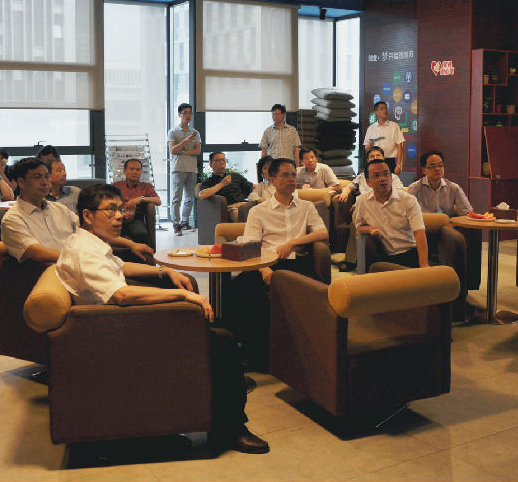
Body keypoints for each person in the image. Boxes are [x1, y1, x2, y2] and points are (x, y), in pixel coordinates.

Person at [56, 183, 269, 454]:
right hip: (112, 332)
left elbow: (120, 267)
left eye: (120, 209)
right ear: (87, 215)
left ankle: (223, 379)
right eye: (110, 210)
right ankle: (230, 428)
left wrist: (163, 271)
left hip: (114, 323)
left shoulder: (88, 242)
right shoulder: (84, 252)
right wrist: (182, 296)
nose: (119, 216)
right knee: (223, 341)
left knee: (207, 324)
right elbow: (121, 294)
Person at [225, 158, 328, 370]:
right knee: (235, 291)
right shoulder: (258, 211)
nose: (292, 179)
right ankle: (254, 354)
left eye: (293, 175)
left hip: (297, 264)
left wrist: (293, 243)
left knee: (317, 292)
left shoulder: (306, 207)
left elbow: (322, 232)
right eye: (285, 175)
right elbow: (250, 247)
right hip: (266, 264)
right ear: (272, 180)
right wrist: (264, 269)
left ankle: (311, 353)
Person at [1, 158, 152, 264]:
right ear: (21, 182)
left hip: (82, 264)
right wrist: (82, 258)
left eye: (46, 176)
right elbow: (36, 252)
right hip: (56, 272)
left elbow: (92, 230)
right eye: (37, 177)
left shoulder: (59, 209)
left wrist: (131, 244)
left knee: (144, 259)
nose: (45, 182)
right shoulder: (13, 219)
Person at [334, 146, 403, 272]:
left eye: (378, 155)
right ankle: (352, 260)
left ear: (383, 158)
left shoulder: (392, 177)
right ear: (367, 160)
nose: (375, 158)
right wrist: (344, 192)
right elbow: (350, 186)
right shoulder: (361, 177)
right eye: (372, 156)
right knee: (357, 215)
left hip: (385, 206)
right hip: (364, 207)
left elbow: (400, 192)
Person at [355, 158, 428, 269]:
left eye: (386, 174)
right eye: (377, 175)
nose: (383, 179)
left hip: (410, 252)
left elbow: (419, 233)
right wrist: (370, 229)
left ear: (391, 177)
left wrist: (424, 265)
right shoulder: (362, 201)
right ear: (368, 182)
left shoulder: (408, 200)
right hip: (384, 255)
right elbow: (359, 226)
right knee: (376, 269)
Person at [168, 103, 202, 235]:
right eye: (185, 113)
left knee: (189, 198)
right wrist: (185, 141)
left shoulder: (195, 132)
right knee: (177, 198)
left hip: (192, 168)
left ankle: (185, 222)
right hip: (178, 168)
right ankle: (176, 224)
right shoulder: (173, 131)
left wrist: (182, 152)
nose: (188, 115)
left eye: (190, 113)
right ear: (179, 114)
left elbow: (197, 151)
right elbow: (172, 150)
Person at [406, 151, 473, 217]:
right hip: (423, 223)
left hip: (447, 223)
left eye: (440, 165)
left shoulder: (454, 188)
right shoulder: (414, 188)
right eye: (433, 166)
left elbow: (466, 213)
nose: (438, 169)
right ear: (424, 170)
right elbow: (406, 214)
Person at [112, 158, 161, 243]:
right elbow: (108, 203)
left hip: (135, 220)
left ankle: (145, 251)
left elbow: (158, 201)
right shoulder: (116, 185)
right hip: (118, 218)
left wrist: (141, 199)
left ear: (141, 172)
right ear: (124, 171)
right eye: (131, 169)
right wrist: (122, 213)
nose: (135, 172)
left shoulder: (146, 186)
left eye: (138, 170)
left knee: (141, 234)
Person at [198, 152, 255, 222]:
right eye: (218, 160)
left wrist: (264, 185)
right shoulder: (209, 181)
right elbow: (202, 195)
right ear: (211, 164)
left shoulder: (235, 176)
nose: (222, 162)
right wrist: (222, 184)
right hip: (231, 208)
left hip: (245, 204)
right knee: (243, 216)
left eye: (223, 160)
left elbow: (251, 186)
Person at [363, 101, 405, 174]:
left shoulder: (394, 126)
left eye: (386, 108)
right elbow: (366, 148)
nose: (385, 111)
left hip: (390, 162)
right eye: (382, 108)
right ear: (376, 112)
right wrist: (369, 145)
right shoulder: (371, 128)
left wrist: (398, 165)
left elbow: (399, 146)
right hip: (375, 161)